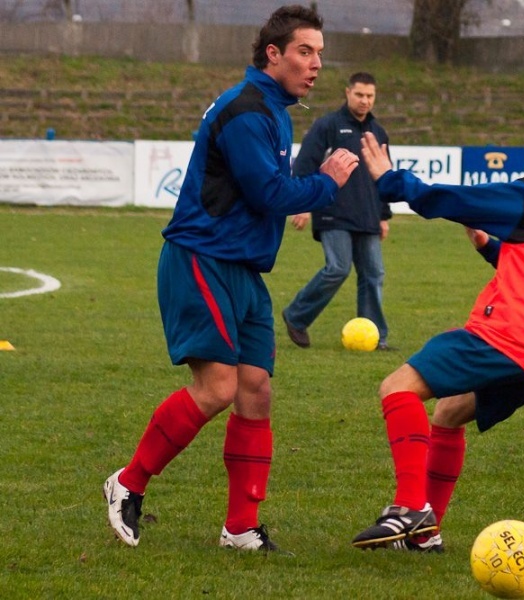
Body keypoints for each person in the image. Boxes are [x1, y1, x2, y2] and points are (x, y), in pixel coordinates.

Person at [102, 4, 359, 553]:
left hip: (241, 268)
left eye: (320, 55)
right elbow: (267, 192)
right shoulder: (246, 109)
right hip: (202, 258)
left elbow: (266, 192)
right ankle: (127, 482)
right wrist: (325, 184)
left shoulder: (271, 109)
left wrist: (305, 191)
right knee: (218, 387)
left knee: (255, 390)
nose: (315, 65)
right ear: (274, 54)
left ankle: (240, 526)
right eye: (304, 52)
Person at [350, 113, 524, 553]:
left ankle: (409, 508)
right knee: (449, 413)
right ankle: (427, 534)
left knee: (396, 388)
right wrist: (488, 246)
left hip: (509, 338)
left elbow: (458, 198)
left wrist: (392, 181)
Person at [282, 72, 394, 350]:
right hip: (332, 211)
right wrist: (302, 204)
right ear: (347, 93)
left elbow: (384, 175)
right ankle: (296, 316)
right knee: (337, 268)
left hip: (367, 214)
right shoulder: (327, 126)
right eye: (359, 95)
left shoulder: (378, 132)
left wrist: (383, 215)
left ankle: (375, 337)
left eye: (369, 96)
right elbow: (304, 164)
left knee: (373, 274)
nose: (364, 101)